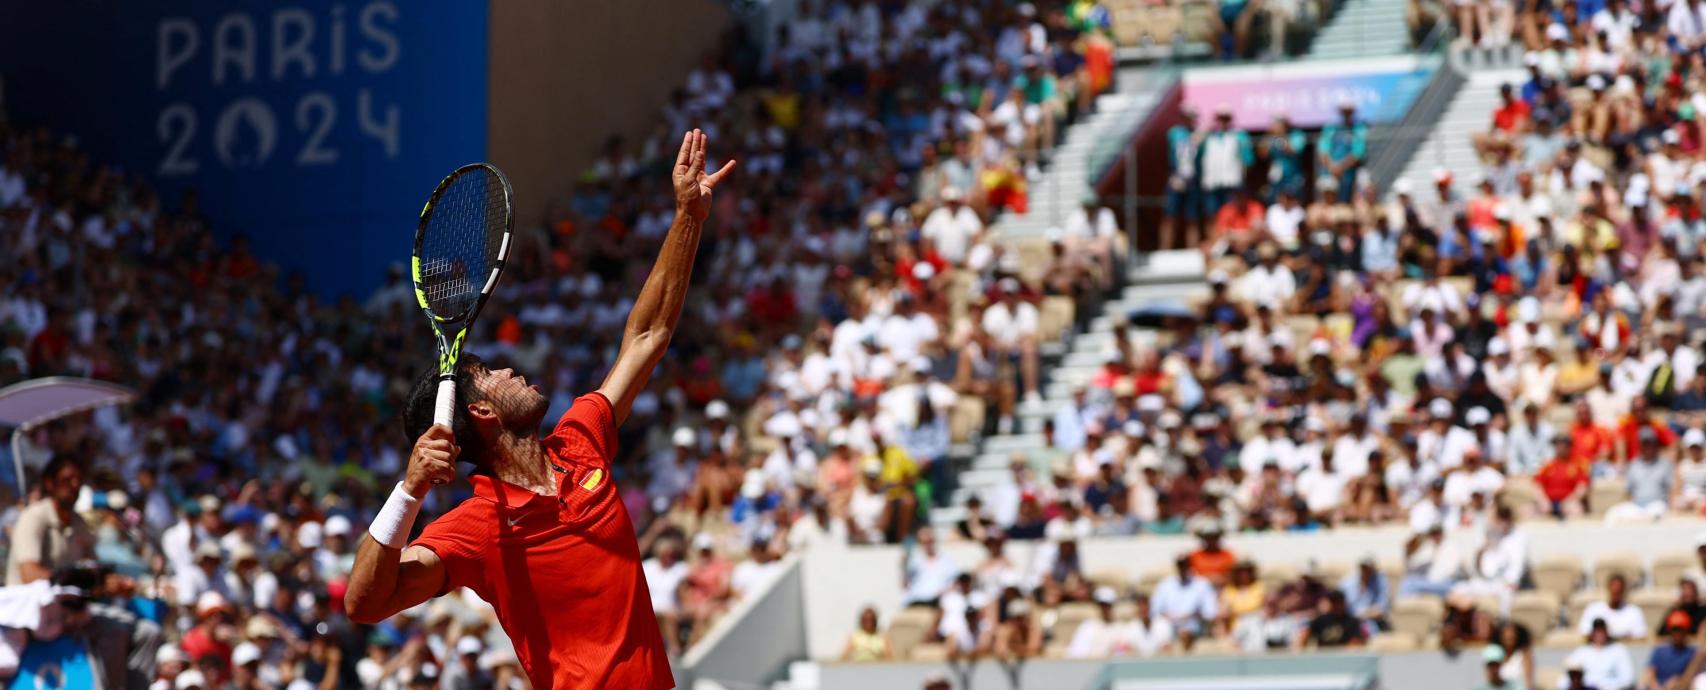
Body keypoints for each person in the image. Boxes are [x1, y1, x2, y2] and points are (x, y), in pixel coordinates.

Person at [343, 130, 735, 689]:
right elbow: (364, 603)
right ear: (480, 414)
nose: (511, 371)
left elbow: (648, 334)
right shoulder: (476, 528)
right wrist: (409, 492)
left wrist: (688, 217)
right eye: (491, 375)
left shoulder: (581, 439)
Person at [6, 456, 95, 586]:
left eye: (79, 480)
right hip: (29, 603)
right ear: (50, 483)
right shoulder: (33, 516)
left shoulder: (79, 524)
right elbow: (29, 574)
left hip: (65, 603)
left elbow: (91, 566)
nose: (74, 485)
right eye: (67, 480)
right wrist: (74, 581)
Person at [1151, 555, 1218, 649]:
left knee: (1189, 629)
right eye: (1180, 565)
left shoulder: (1202, 584)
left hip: (1194, 625)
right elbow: (1155, 611)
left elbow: (1209, 613)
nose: (1183, 568)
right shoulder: (1165, 584)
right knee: (1161, 627)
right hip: (1169, 625)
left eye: (1185, 565)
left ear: (1190, 566)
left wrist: (1190, 617)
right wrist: (1171, 617)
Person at [1564, 619, 1635, 690]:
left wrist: (1609, 687)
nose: (1600, 634)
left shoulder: (1619, 650)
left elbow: (1628, 679)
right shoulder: (1581, 652)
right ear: (1592, 633)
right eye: (1597, 631)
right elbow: (1566, 678)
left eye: (1602, 630)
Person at [1578, 574, 1648, 641]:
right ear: (1608, 589)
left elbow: (1640, 637)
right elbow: (1585, 634)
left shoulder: (1635, 612)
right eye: (1614, 592)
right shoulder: (1593, 609)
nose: (1615, 596)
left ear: (1623, 591)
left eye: (1618, 592)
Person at [1296, 591, 1366, 649]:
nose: (1337, 606)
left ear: (1344, 603)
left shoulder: (1352, 622)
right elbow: (1305, 636)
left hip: (1344, 658)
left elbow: (1355, 643)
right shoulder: (1320, 621)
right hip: (1323, 658)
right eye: (1334, 602)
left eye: (1339, 602)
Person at [1645, 611, 1696, 690]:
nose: (1677, 633)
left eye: (1681, 630)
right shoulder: (1660, 650)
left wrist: (1678, 682)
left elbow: (1691, 676)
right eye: (1675, 630)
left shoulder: (1691, 653)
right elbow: (1651, 673)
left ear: (1686, 631)